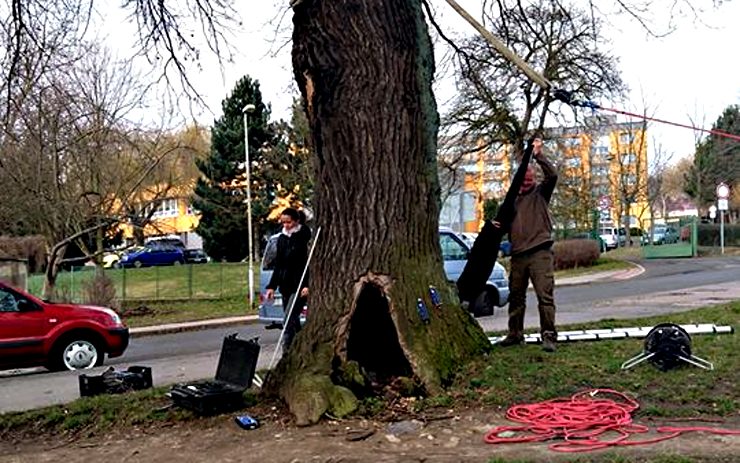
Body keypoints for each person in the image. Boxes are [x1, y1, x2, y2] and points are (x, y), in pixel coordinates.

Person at [496, 138, 559, 352]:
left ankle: (549, 336)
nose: (526, 181)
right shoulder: (511, 202)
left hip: (540, 252)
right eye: (522, 179)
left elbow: (552, 175)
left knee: (545, 295)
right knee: (515, 297)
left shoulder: (541, 193)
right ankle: (515, 334)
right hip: (518, 255)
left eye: (528, 178)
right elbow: (501, 225)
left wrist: (539, 155)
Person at [264, 207, 311, 351]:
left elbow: (308, 262)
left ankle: (286, 351)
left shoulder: (303, 236)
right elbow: (279, 264)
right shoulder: (282, 239)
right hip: (285, 285)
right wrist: (272, 286)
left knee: (288, 319)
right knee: (293, 321)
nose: (286, 225)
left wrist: (307, 284)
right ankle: (299, 349)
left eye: (289, 222)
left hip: (300, 285)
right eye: (283, 222)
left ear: (296, 221)